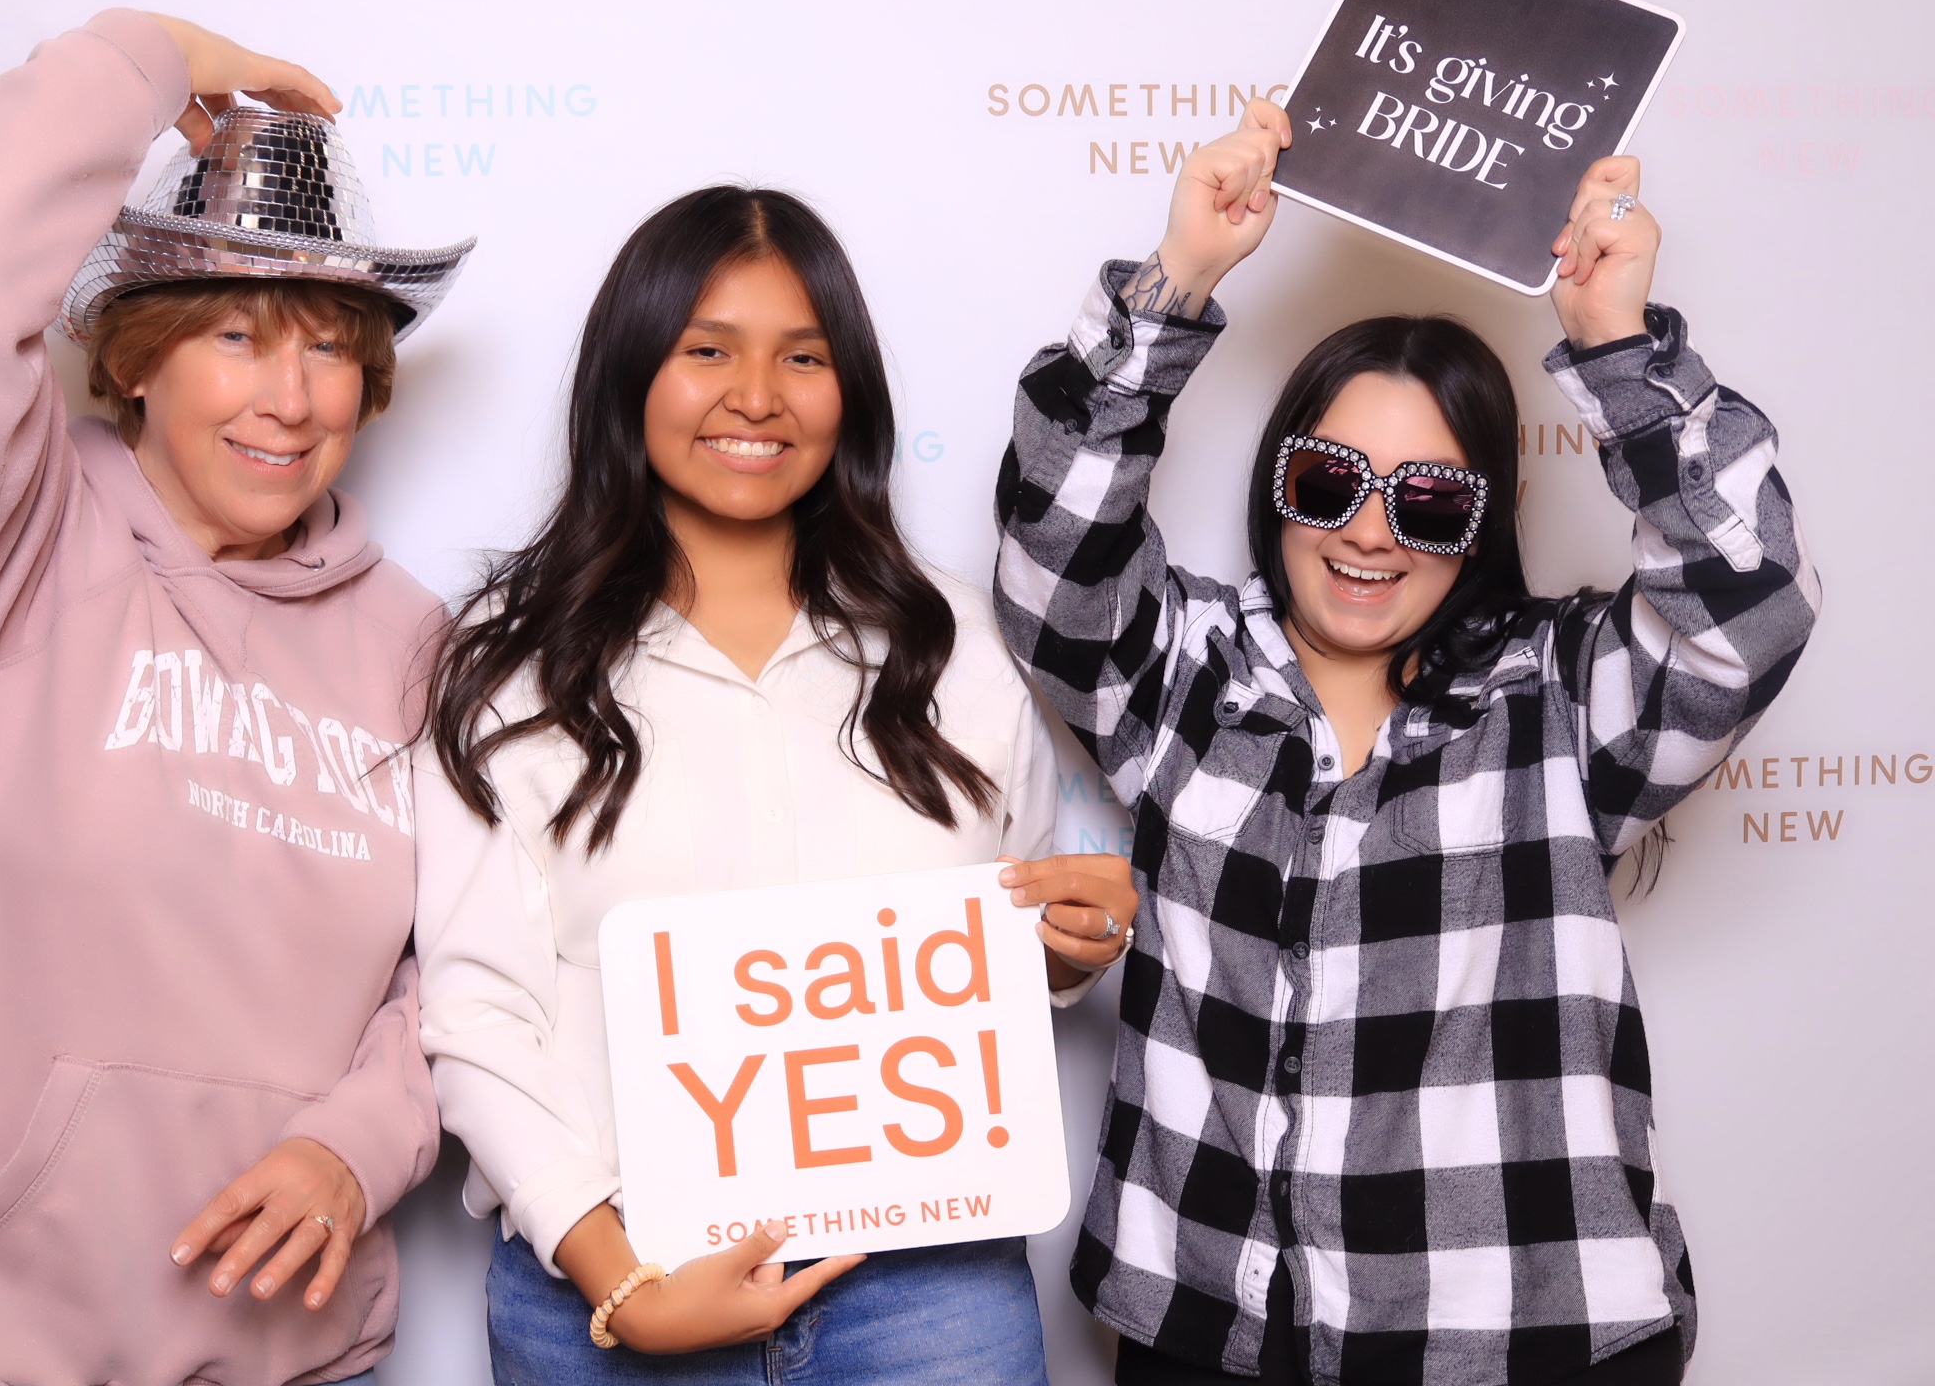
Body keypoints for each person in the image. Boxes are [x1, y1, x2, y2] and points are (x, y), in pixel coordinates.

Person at [993, 102, 1817, 1386]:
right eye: (1330, 481)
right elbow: (1055, 547)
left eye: (1427, 499)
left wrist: (1616, 348)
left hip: (1523, 1340)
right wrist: (1181, 278)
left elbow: (1748, 608)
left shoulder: (1562, 698)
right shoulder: (1181, 674)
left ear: (1478, 523)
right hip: (1214, 1330)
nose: (1369, 533)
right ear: (1279, 484)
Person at [0, 9, 474, 1386]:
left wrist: (356, 1144)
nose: (289, 395)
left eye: (330, 345)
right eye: (238, 336)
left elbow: (468, 971)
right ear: (136, 353)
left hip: (282, 1358)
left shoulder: (415, 644)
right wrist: (140, 58)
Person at [412, 185, 1137, 1383]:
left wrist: (1065, 948)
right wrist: (623, 1284)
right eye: (708, 351)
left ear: (847, 388)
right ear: (630, 375)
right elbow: (476, 1013)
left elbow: (987, 938)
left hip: (929, 1299)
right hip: (616, 1276)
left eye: (802, 356)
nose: (757, 395)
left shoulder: (952, 637)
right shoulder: (506, 659)